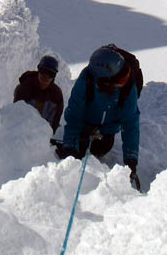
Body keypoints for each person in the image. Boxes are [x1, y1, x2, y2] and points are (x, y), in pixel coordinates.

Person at [54, 46, 141, 191]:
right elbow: (74, 116)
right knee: (78, 150)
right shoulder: (85, 81)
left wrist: (131, 161)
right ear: (104, 80)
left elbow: (130, 123)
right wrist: (70, 149)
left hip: (106, 134)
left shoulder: (127, 87)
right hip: (85, 127)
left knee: (100, 149)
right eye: (118, 82)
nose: (121, 84)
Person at [14, 55, 64, 132]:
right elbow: (15, 117)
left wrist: (45, 135)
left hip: (42, 137)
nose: (45, 77)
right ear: (38, 70)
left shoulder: (56, 96)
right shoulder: (24, 88)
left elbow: (53, 124)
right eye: (43, 71)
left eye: (50, 74)